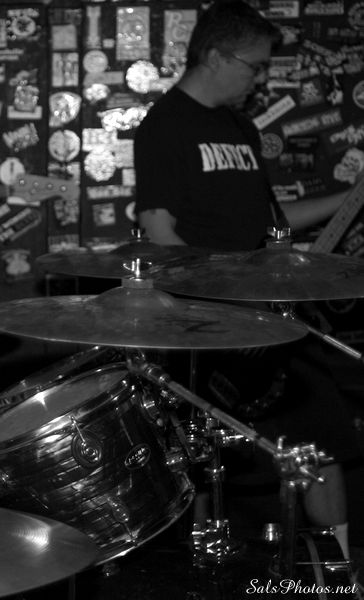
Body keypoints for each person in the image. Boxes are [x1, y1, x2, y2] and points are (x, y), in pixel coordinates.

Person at [134, 0, 361, 560]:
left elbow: (273, 223)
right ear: (215, 55)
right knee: (204, 464)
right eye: (254, 66)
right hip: (211, 328)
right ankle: (203, 573)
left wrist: (351, 197)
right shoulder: (165, 125)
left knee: (323, 445)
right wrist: (227, 294)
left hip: (270, 321)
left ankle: (341, 577)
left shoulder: (239, 126)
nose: (259, 80)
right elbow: (158, 229)